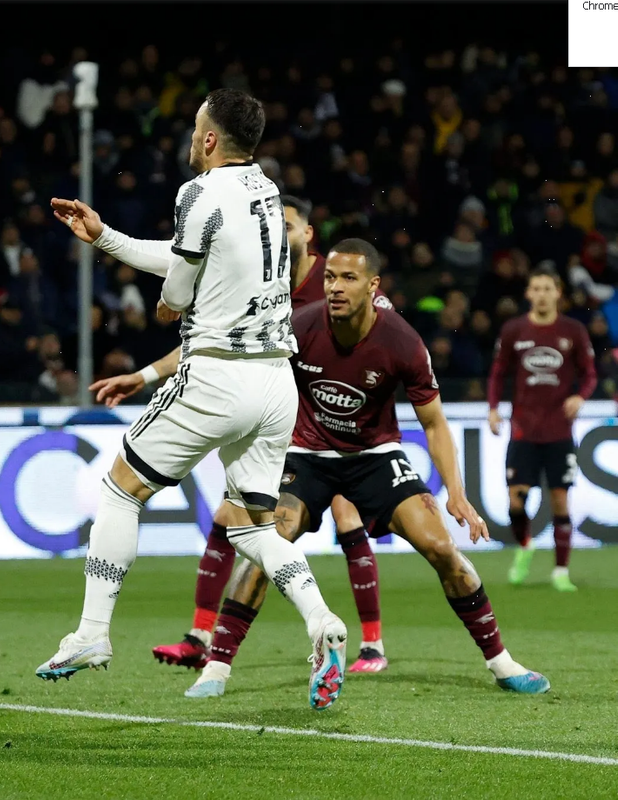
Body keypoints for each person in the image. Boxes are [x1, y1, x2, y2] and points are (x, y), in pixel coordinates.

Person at [37, 88, 349, 711]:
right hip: (274, 384)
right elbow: (198, 259)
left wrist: (174, 300)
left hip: (217, 376)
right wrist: (105, 237)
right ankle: (322, 622)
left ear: (209, 139)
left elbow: (180, 284)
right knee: (251, 526)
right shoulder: (266, 191)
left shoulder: (199, 192)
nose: (189, 135)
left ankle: (93, 634)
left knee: (121, 487)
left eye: (194, 125)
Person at [132, 239, 551, 698]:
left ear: (373, 286)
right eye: (330, 277)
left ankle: (501, 662)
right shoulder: (299, 327)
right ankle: (216, 668)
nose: (335, 287)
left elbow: (433, 423)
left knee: (441, 549)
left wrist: (456, 493)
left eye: (348, 278)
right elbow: (231, 360)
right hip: (307, 456)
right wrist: (152, 377)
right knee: (266, 545)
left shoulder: (403, 342)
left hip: (375, 457)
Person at [143, 195, 393, 680]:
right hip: (281, 427)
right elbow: (216, 341)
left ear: (306, 235)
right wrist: (147, 375)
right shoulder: (258, 279)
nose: (277, 234)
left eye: (288, 226)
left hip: (339, 431)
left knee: (346, 518)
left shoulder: (337, 282)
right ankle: (200, 637)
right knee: (229, 517)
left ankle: (373, 643)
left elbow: (379, 338)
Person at [487, 267, 597, 591]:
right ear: (528, 293)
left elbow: (590, 373)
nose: (542, 294)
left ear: (558, 292)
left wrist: (581, 395)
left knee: (560, 500)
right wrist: (493, 409)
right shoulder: (514, 330)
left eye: (548, 288)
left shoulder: (573, 330)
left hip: (559, 431)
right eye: (536, 288)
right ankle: (525, 545)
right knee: (516, 501)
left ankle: (561, 571)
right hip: (523, 429)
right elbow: (497, 372)